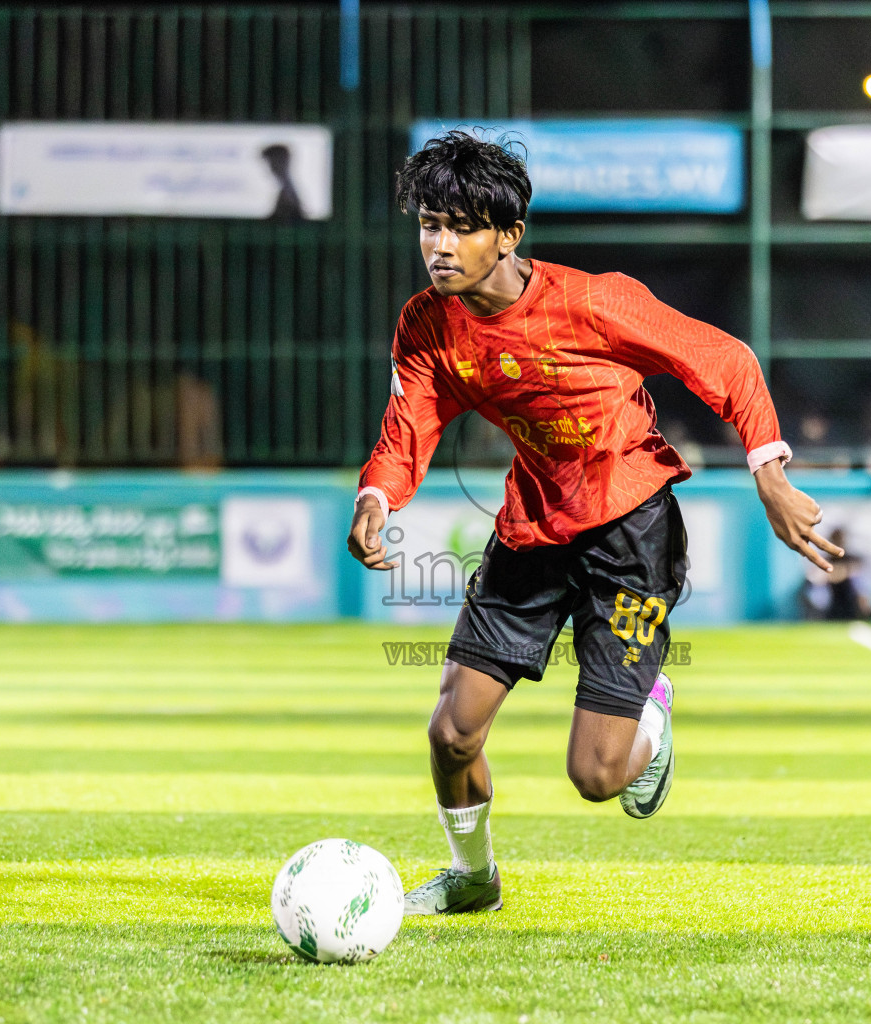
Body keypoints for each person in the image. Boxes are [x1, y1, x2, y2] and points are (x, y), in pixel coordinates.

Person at [347, 130, 838, 915]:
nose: (439, 245)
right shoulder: (428, 325)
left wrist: (769, 474)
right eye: (429, 224)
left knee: (597, 778)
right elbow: (411, 423)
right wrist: (376, 498)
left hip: (629, 538)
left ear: (509, 235)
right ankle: (473, 879)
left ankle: (653, 709)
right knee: (451, 732)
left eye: (461, 226)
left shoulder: (594, 302)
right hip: (530, 533)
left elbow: (726, 361)